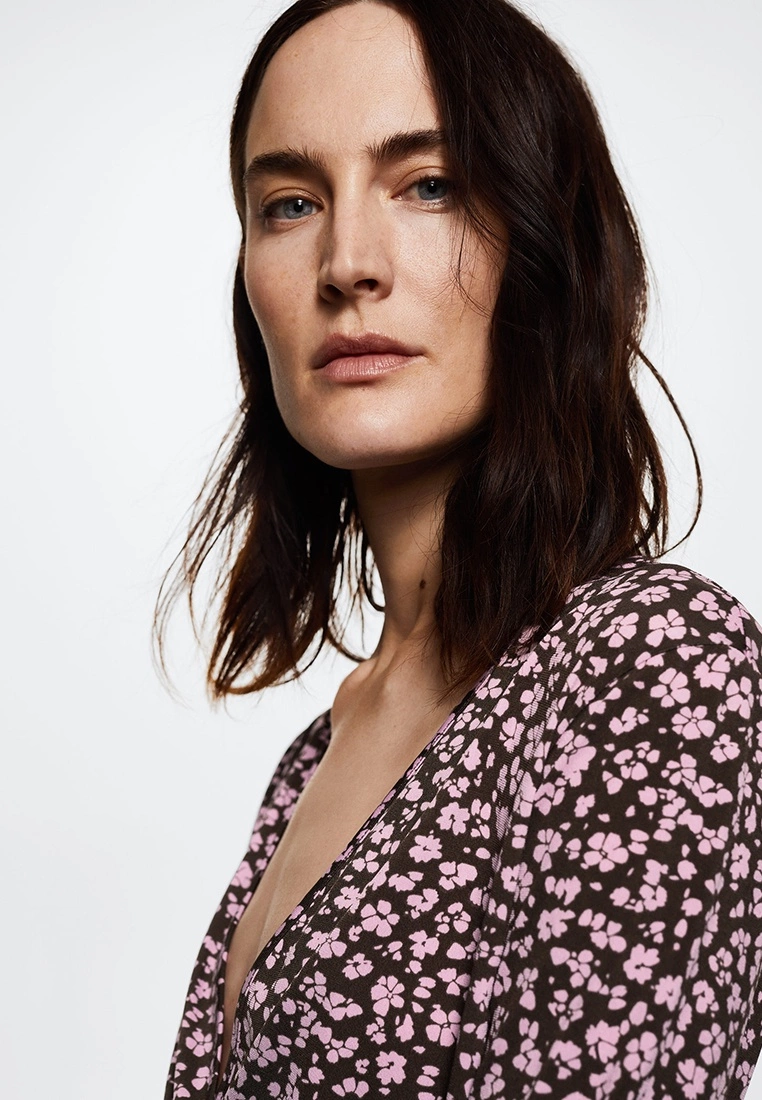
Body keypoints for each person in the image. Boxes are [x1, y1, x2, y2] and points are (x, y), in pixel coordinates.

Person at [160, 0, 762, 1096]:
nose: (348, 263)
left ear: (546, 240)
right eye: (291, 203)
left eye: (429, 185)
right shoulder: (318, 750)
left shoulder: (653, 662)